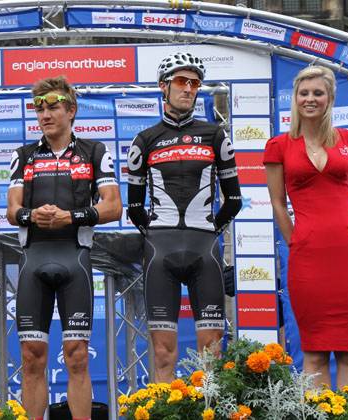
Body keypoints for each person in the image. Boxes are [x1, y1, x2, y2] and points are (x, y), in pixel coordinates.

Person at [7, 76, 122, 420]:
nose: (45, 114)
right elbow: (12, 211)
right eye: (39, 108)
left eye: (53, 106)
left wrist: (71, 217)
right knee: (31, 357)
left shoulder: (95, 151)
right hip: (34, 261)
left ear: (71, 110)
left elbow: (113, 206)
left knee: (77, 355)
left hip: (75, 260)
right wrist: (33, 215)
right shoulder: (23, 155)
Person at [126, 52, 242, 383]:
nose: (188, 89)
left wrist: (209, 231)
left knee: (212, 352)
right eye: (181, 81)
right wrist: (155, 235)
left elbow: (233, 199)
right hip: (159, 253)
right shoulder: (145, 140)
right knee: (162, 353)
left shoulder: (216, 135)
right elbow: (134, 207)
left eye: (194, 83)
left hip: (204, 250)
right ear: (164, 87)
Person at [264, 65, 348, 391]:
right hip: (307, 258)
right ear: (295, 98)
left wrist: (337, 228)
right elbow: (278, 204)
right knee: (314, 354)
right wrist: (297, 240)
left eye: (318, 93)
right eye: (304, 93)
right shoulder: (279, 146)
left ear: (330, 98)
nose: (310, 99)